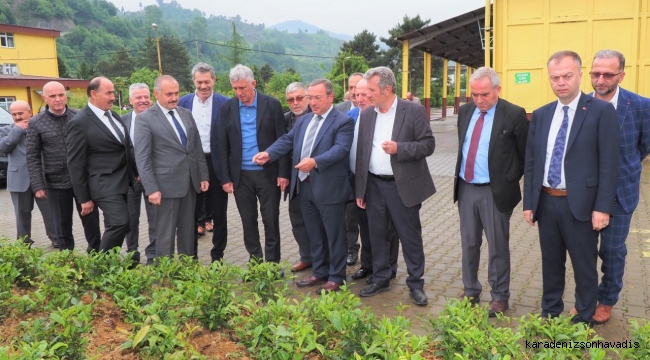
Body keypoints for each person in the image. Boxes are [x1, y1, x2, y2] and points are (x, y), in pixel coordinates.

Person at [523, 51, 620, 327]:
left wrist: (603, 208)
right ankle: (550, 312)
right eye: (555, 77)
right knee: (551, 264)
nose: (561, 82)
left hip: (582, 205)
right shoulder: (541, 115)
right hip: (547, 200)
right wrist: (529, 203)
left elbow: (609, 164)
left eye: (567, 76)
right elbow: (532, 162)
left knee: (584, 266)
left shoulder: (600, 111)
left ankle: (584, 317)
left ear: (580, 75)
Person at [253, 79, 354, 293]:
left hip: (329, 188)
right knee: (314, 232)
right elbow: (287, 141)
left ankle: (336, 276)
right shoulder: (304, 120)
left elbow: (340, 149)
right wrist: (269, 153)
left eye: (317, 97)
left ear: (330, 97)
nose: (313, 102)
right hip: (304, 187)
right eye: (311, 97)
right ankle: (319, 271)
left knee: (334, 234)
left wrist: (315, 162)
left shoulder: (342, 121)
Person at [355, 66, 435, 306]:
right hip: (374, 185)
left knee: (409, 235)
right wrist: (360, 189)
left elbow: (428, 144)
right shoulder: (368, 114)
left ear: (387, 89)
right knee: (377, 234)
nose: (366, 95)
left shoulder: (412, 110)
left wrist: (401, 148)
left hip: (402, 187)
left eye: (370, 90)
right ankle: (381, 277)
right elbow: (362, 154)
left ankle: (416, 283)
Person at [580, 50, 650, 323]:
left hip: (621, 193)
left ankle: (607, 300)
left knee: (611, 250)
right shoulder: (580, 104)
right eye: (596, 73)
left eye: (608, 74)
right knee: (583, 250)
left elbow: (642, 146)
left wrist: (626, 167)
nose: (600, 79)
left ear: (621, 74)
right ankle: (585, 300)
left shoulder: (641, 106)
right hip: (585, 194)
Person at [453, 67, 529, 316]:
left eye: (484, 94)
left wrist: (508, 179)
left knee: (497, 245)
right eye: (474, 94)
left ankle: (499, 295)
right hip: (466, 188)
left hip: (495, 193)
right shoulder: (465, 111)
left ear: (497, 89)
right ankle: (470, 290)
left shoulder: (514, 114)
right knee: (469, 243)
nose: (478, 100)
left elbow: (524, 155)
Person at [218, 64, 289, 263]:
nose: (239, 92)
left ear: (253, 83)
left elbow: (282, 140)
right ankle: (256, 262)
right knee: (248, 221)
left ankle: (273, 264)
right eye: (235, 88)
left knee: (271, 220)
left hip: (268, 174)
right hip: (241, 176)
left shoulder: (272, 104)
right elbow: (222, 145)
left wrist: (283, 173)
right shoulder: (227, 108)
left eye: (243, 87)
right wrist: (225, 178)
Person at [134, 75, 210, 259]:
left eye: (176, 93)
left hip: (190, 185)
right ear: (156, 94)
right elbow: (143, 157)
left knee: (188, 232)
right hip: (164, 188)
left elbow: (195, 148)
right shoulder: (145, 119)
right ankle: (165, 277)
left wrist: (203, 175)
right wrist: (151, 188)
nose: (174, 97)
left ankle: (187, 273)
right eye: (169, 94)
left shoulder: (185, 114)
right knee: (165, 235)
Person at [26, 81, 101, 252]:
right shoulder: (36, 122)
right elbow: (32, 156)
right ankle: (68, 263)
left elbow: (93, 148)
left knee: (91, 222)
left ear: (66, 95)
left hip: (83, 181)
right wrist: (38, 185)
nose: (58, 99)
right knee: (62, 226)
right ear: (44, 98)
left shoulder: (80, 116)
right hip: (56, 182)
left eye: (61, 95)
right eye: (52, 96)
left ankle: (97, 259)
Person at [66, 77, 137, 252]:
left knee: (119, 225)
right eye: (109, 93)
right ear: (93, 94)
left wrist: (135, 172)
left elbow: (125, 147)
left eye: (113, 92)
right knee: (121, 222)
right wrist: (84, 199)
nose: (113, 97)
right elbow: (75, 163)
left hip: (123, 181)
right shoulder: (80, 122)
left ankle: (106, 267)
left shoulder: (112, 114)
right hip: (102, 184)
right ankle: (99, 267)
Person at [348, 79, 400, 282]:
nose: (360, 98)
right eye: (356, 94)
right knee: (365, 226)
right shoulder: (353, 115)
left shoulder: (383, 116)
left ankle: (389, 268)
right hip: (357, 180)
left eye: (364, 93)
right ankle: (368, 265)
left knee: (387, 228)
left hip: (379, 180)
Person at [178, 62, 230, 262]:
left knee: (219, 212)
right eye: (199, 82)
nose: (203, 86)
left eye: (207, 81)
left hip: (216, 164)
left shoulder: (225, 103)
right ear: (193, 81)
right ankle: (191, 257)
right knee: (191, 212)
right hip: (191, 165)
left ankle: (218, 256)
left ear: (214, 80)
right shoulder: (183, 103)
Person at [0, 100, 57, 246]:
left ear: (29, 112)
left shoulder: (40, 126)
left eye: (21, 113)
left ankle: (56, 238)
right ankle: (24, 242)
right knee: (21, 212)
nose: (18, 117)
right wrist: (18, 129)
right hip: (18, 178)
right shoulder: (6, 130)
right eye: (14, 114)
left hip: (42, 176)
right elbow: (3, 147)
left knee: (50, 211)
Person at [122, 83, 155, 265]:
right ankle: (132, 254)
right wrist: (135, 172)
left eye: (146, 97)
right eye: (138, 98)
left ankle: (154, 255)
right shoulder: (122, 120)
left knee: (155, 220)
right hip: (130, 179)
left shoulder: (158, 118)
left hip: (153, 179)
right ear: (131, 100)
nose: (143, 101)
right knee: (130, 219)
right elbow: (122, 151)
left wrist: (146, 172)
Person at [283, 82, 313, 272]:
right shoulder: (284, 119)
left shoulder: (317, 115)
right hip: (294, 180)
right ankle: (306, 256)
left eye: (299, 98)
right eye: (291, 100)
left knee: (318, 222)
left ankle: (323, 258)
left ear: (308, 98)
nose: (295, 103)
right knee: (297, 220)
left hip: (316, 179)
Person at [335, 72, 363, 265]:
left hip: (368, 173)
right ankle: (351, 249)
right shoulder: (340, 110)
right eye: (351, 88)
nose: (354, 92)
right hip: (346, 173)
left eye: (357, 88)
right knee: (348, 215)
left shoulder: (371, 108)